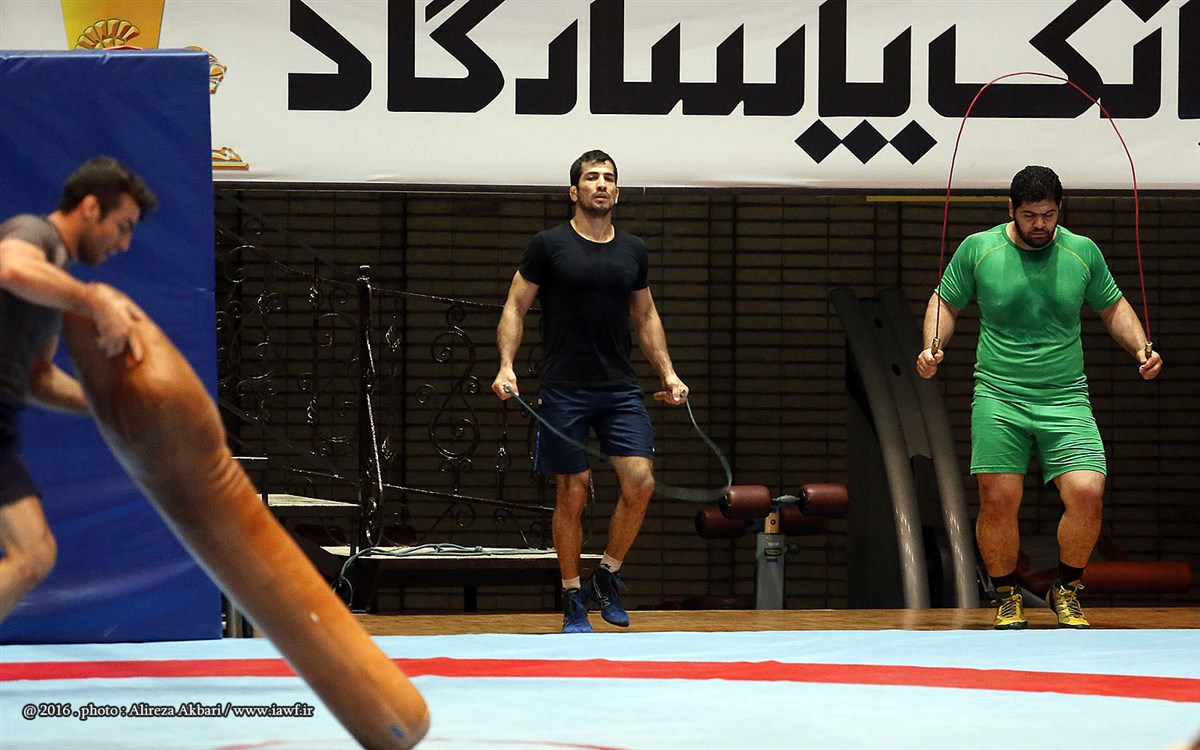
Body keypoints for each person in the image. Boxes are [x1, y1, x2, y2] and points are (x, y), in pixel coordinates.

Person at [915, 165, 1162, 630]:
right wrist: (932, 346)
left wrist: (1141, 348)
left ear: (1059, 209)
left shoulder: (1082, 251)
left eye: (1048, 215)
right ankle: (1007, 595)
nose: (1039, 225)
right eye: (1030, 215)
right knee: (998, 498)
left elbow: (1112, 306)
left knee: (1088, 491)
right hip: (999, 394)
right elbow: (945, 300)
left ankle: (1065, 588)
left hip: (1066, 396)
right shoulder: (979, 249)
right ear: (1011, 209)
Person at [492, 149, 687, 633]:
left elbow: (646, 315)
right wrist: (506, 366)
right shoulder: (548, 245)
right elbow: (515, 307)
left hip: (619, 388)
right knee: (572, 491)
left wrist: (667, 373)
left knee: (640, 482)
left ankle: (608, 574)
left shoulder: (633, 250)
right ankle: (572, 595)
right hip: (564, 389)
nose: (601, 184)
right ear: (574, 190)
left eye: (609, 178)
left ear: (616, 192)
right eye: (592, 177)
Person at [0, 156, 156, 624]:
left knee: (34, 555)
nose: (124, 244)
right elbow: (10, 269)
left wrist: (106, 404)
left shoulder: (55, 283)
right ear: (90, 208)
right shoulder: (35, 234)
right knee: (33, 554)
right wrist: (95, 301)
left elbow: (37, 378)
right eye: (122, 226)